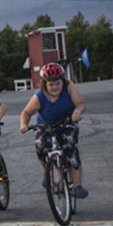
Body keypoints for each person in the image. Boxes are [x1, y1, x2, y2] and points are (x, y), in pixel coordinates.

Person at [19, 62, 89, 198]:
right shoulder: (39, 97)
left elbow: (80, 103)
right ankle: (47, 172)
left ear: (62, 81)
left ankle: (77, 186)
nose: (55, 87)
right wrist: (23, 125)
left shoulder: (69, 87)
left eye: (58, 83)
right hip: (46, 127)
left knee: (70, 147)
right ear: (44, 84)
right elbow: (26, 112)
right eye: (51, 84)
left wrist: (77, 112)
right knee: (40, 146)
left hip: (67, 123)